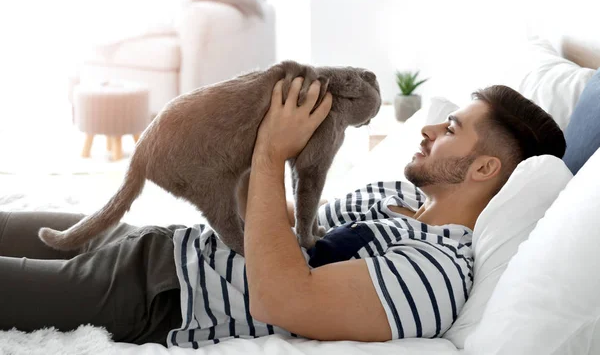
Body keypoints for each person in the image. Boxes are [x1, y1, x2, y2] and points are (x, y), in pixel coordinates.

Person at [0, 79, 565, 348]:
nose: (429, 127)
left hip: (160, 296)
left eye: (452, 129)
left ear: (485, 170)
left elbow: (282, 298)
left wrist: (272, 152)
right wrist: (259, 139)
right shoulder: (392, 196)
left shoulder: (435, 273)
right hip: (158, 243)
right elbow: (267, 224)